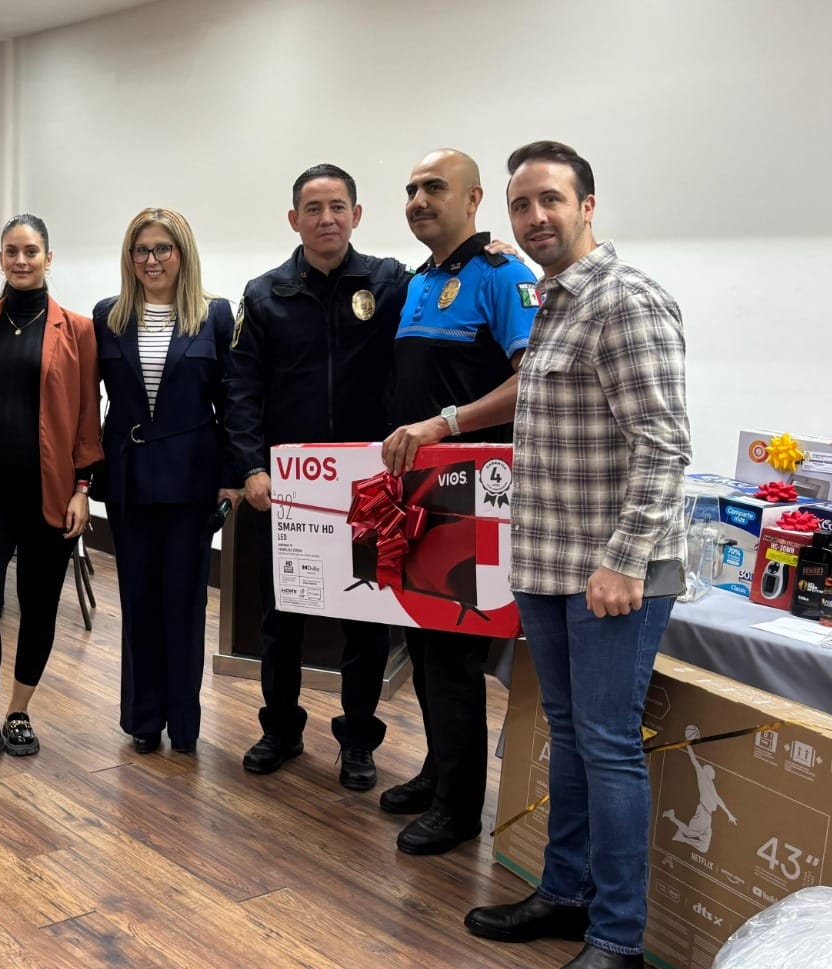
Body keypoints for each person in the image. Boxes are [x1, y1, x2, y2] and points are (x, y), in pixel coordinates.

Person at [464, 140, 691, 969]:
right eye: (521, 206)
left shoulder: (626, 300)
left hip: (613, 574)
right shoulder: (551, 303)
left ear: (588, 204)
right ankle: (564, 892)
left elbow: (665, 444)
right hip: (550, 562)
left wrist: (624, 557)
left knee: (605, 744)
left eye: (551, 201)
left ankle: (618, 942)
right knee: (567, 732)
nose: (535, 219)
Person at [224, 164, 410, 791]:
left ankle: (358, 738)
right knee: (284, 613)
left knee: (366, 615)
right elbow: (242, 387)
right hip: (292, 486)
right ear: (293, 219)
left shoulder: (391, 284)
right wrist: (251, 464)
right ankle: (280, 727)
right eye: (313, 207)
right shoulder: (264, 293)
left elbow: (452, 278)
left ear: (357, 215)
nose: (326, 218)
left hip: (369, 485)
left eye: (337, 206)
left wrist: (489, 248)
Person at [376, 149, 541, 857]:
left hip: (470, 491)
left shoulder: (503, 275)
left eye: (433, 188)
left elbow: (529, 380)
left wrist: (445, 422)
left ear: (473, 198)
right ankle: (439, 770)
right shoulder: (419, 281)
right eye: (411, 189)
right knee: (420, 638)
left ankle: (458, 807)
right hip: (414, 492)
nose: (417, 199)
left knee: (451, 653)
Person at [0, 214, 101, 773]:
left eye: (31, 251)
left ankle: (18, 711)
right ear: (1, 259)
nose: (21, 260)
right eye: (11, 251)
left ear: (48, 258)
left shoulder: (77, 330)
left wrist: (84, 487)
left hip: (49, 495)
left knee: (38, 608)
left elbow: (87, 416)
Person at [92, 208, 239, 755]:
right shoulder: (108, 315)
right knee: (139, 602)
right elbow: (93, 402)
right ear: (129, 259)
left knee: (183, 604)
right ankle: (143, 720)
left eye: (162, 249)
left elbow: (232, 400)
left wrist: (229, 477)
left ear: (182, 254)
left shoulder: (214, 315)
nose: (151, 260)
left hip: (191, 482)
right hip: (130, 480)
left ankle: (184, 724)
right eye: (140, 251)